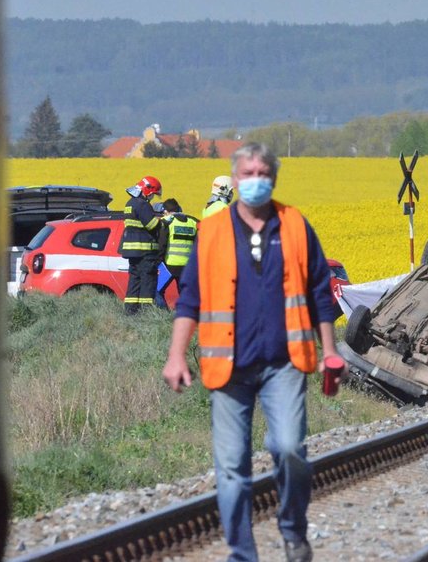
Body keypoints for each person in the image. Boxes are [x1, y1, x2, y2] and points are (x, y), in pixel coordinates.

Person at [162, 142, 339, 562]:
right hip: (227, 366)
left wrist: (331, 350)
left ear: (273, 178)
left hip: (286, 361)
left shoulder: (295, 225)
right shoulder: (212, 231)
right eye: (248, 174)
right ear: (235, 179)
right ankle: (243, 554)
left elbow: (320, 291)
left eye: (263, 173)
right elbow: (190, 297)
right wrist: (176, 355)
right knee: (231, 471)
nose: (255, 180)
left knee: (291, 448)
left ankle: (293, 531)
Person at [118, 176, 163, 314]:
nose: (152, 198)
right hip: (145, 252)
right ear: (147, 190)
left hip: (132, 252)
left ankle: (130, 311)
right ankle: (146, 313)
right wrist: (162, 221)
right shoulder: (143, 205)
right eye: (153, 195)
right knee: (147, 281)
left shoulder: (130, 203)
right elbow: (152, 225)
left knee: (134, 282)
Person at [157, 198, 198, 302]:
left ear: (165, 211)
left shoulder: (167, 222)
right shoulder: (192, 222)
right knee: (185, 294)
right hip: (186, 266)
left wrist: (158, 261)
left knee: (156, 291)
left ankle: (163, 315)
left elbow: (162, 244)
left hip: (169, 265)